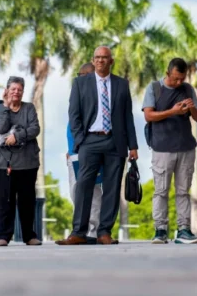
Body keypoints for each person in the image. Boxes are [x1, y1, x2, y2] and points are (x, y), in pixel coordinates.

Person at [56, 46, 138, 246]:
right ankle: (78, 233)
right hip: (89, 141)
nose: (100, 61)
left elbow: (128, 116)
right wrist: (79, 141)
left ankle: (104, 232)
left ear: (111, 61)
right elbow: (73, 115)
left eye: (104, 58)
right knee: (83, 185)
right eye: (97, 58)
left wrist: (133, 146)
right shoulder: (80, 83)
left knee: (112, 187)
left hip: (115, 141)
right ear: (93, 61)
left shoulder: (121, 84)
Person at [142, 58, 197, 245]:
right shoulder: (154, 88)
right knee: (161, 191)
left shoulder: (188, 89)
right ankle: (160, 230)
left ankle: (183, 230)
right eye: (175, 78)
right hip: (162, 148)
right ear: (167, 73)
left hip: (186, 147)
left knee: (183, 191)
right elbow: (148, 115)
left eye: (182, 79)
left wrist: (191, 108)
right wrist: (172, 112)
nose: (178, 83)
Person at [0, 76, 42, 247]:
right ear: (7, 91)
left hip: (27, 163)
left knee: (27, 201)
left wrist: (17, 136)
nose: (16, 92)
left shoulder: (29, 108)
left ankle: (29, 236)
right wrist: (6, 106)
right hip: (4, 163)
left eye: (19, 90)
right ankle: (3, 236)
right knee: (5, 200)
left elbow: (35, 128)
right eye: (13, 89)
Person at [66, 62, 103, 244]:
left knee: (94, 192)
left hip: (89, 151)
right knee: (76, 192)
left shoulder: (96, 96)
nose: (79, 78)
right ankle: (80, 228)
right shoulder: (77, 92)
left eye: (82, 75)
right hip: (73, 153)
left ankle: (92, 231)